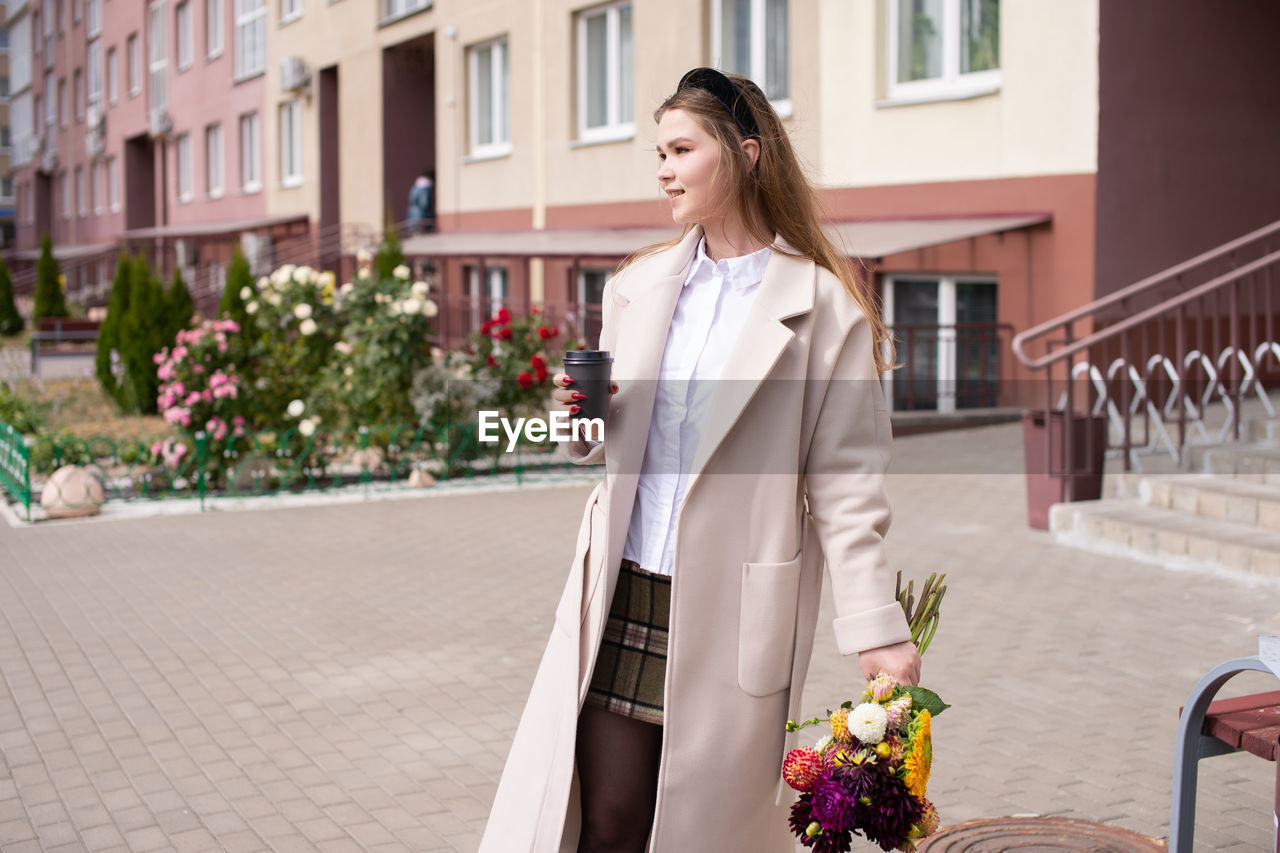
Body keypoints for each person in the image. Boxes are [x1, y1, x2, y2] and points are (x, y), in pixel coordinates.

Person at [478, 67, 920, 853]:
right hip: (623, 593)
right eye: (659, 151)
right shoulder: (637, 286)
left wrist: (875, 628)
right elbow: (602, 447)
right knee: (607, 820)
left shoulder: (823, 311)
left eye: (681, 149)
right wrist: (578, 421)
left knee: (695, 833)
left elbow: (848, 490)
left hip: (731, 607)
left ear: (745, 154)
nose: (663, 169)